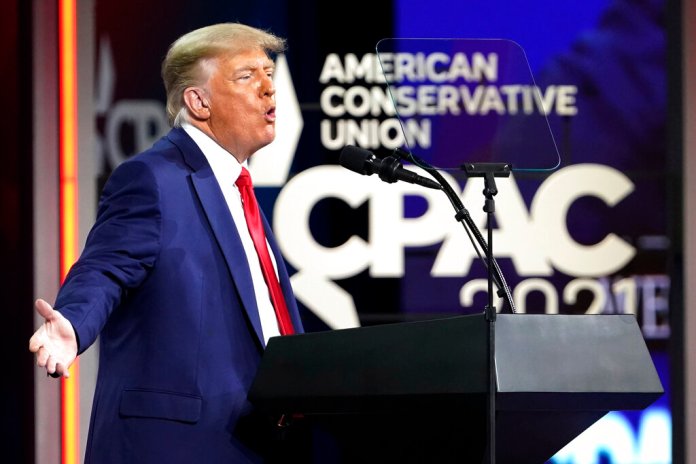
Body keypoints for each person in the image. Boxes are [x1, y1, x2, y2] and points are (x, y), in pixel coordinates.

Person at [28, 22, 304, 463]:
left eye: (268, 73)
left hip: (257, 443)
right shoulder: (152, 178)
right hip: (180, 446)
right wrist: (74, 324)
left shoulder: (239, 191)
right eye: (247, 76)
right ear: (199, 102)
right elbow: (105, 268)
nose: (269, 88)